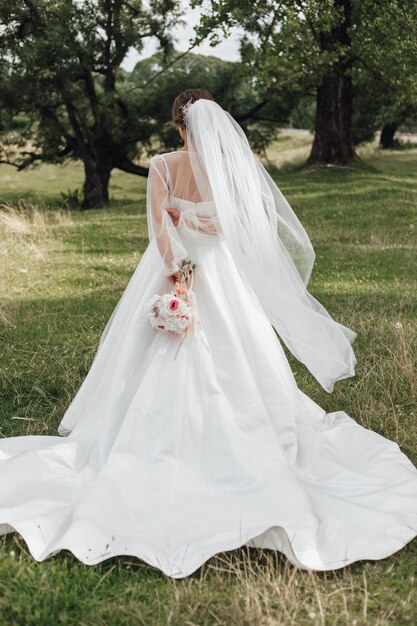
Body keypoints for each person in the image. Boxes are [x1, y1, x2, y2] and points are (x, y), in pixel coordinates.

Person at [0, 89, 416, 579]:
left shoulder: (160, 165)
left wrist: (176, 270)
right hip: (222, 278)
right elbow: (237, 228)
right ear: (213, 124)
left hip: (171, 270)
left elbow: (158, 230)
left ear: (178, 126)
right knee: (241, 352)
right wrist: (198, 226)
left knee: (153, 357)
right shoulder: (230, 169)